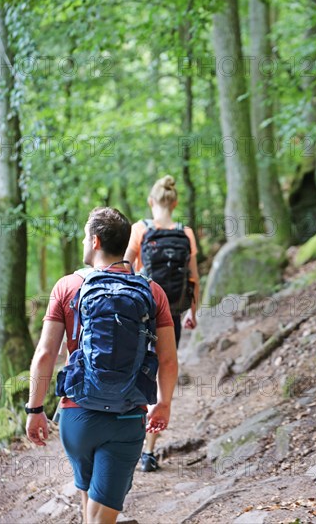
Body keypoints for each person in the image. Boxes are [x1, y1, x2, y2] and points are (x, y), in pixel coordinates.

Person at [26, 207, 178, 524]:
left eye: (84, 236)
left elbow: (44, 355)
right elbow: (167, 358)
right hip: (127, 416)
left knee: (88, 504)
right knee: (102, 517)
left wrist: (35, 409)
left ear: (95, 241)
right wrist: (162, 404)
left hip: (76, 416)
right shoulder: (151, 291)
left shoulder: (67, 287)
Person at [124, 175, 200, 472]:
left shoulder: (140, 229)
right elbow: (193, 277)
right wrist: (193, 311)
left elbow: (124, 269)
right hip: (173, 315)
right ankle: (150, 451)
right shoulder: (187, 233)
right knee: (164, 374)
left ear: (151, 201)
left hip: (143, 314)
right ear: (175, 202)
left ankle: (129, 444)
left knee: (135, 372)